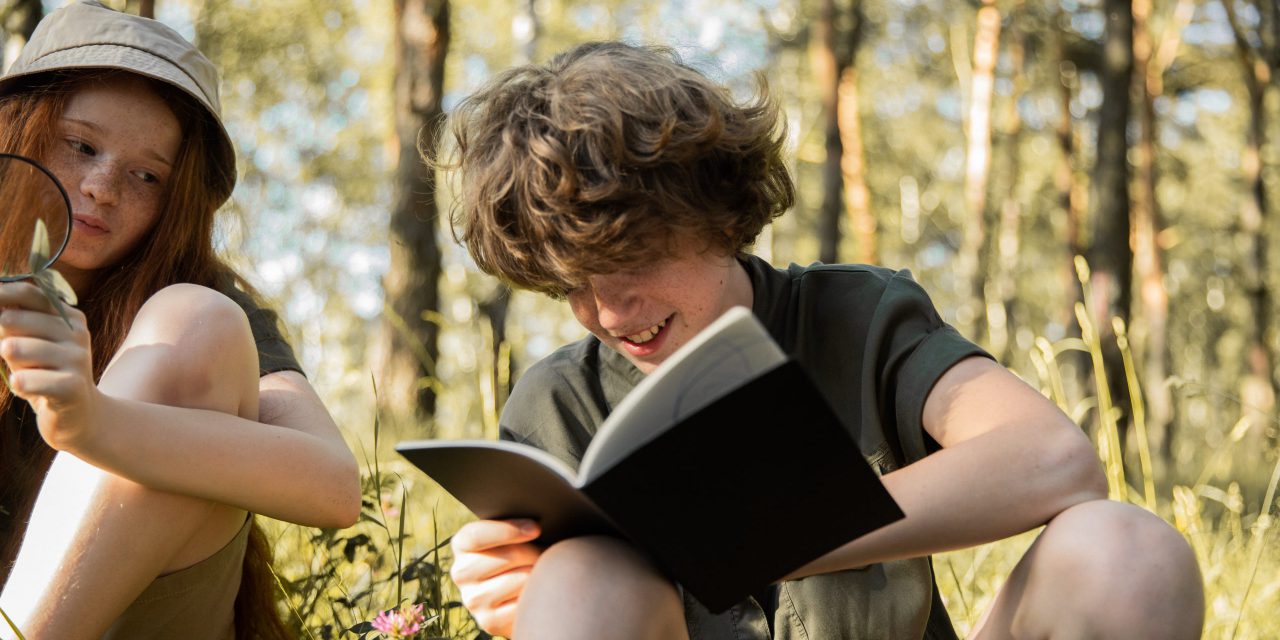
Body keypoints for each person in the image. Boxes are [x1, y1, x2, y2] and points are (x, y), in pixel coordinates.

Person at [441, 42, 1205, 639]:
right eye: (572, 283)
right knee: (580, 576)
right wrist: (522, 602)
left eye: (630, 260)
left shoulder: (853, 315)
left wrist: (774, 536)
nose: (608, 312)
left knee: (1126, 552)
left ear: (714, 212)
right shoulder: (555, 404)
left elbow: (1052, 461)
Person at [0, 2, 360, 638]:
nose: (103, 186)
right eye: (81, 145)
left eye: (147, 175)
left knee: (198, 322)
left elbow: (332, 486)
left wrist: (93, 421)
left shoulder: (200, 303)